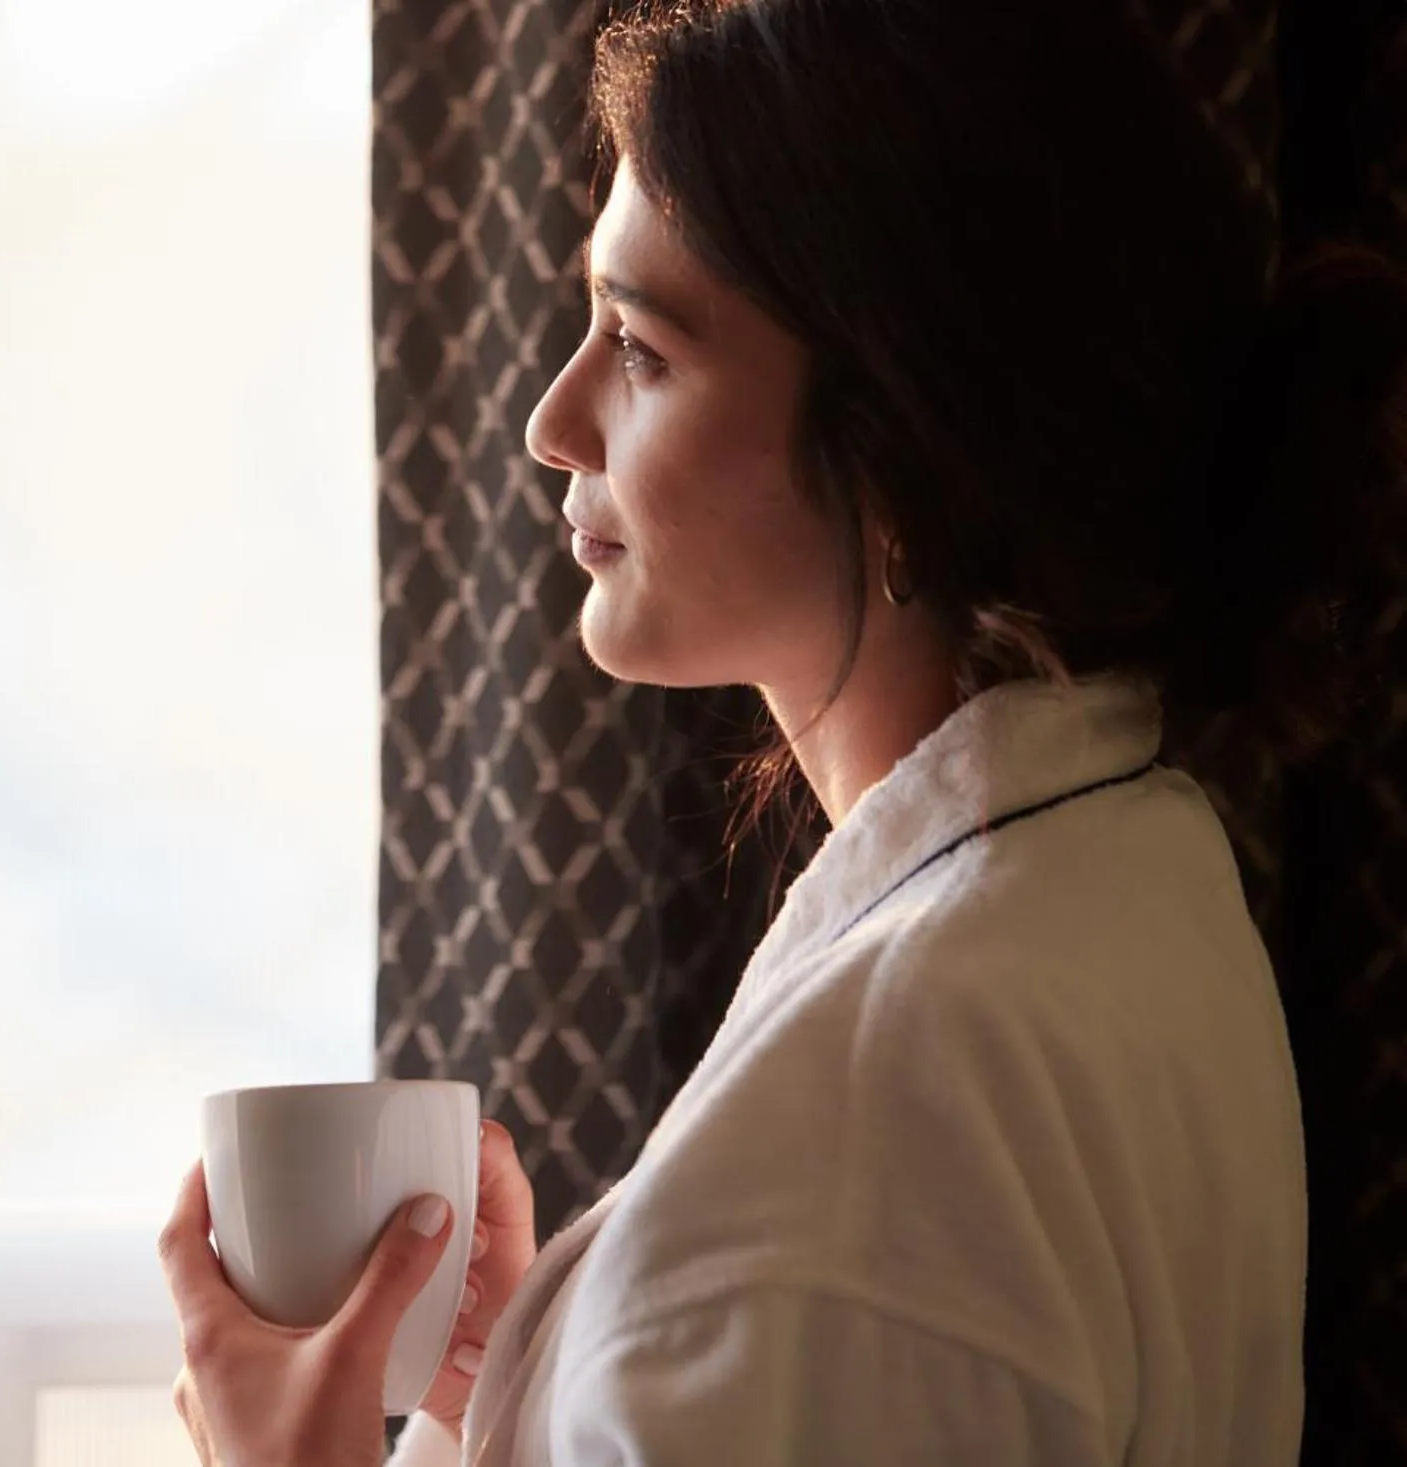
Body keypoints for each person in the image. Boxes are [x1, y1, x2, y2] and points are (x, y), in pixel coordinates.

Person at [159, 0, 1407, 1461]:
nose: (551, 421)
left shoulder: (864, 1123)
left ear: (904, 457)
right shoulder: (1132, 862)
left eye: (640, 343)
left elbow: (829, 1272)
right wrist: (548, 1358)